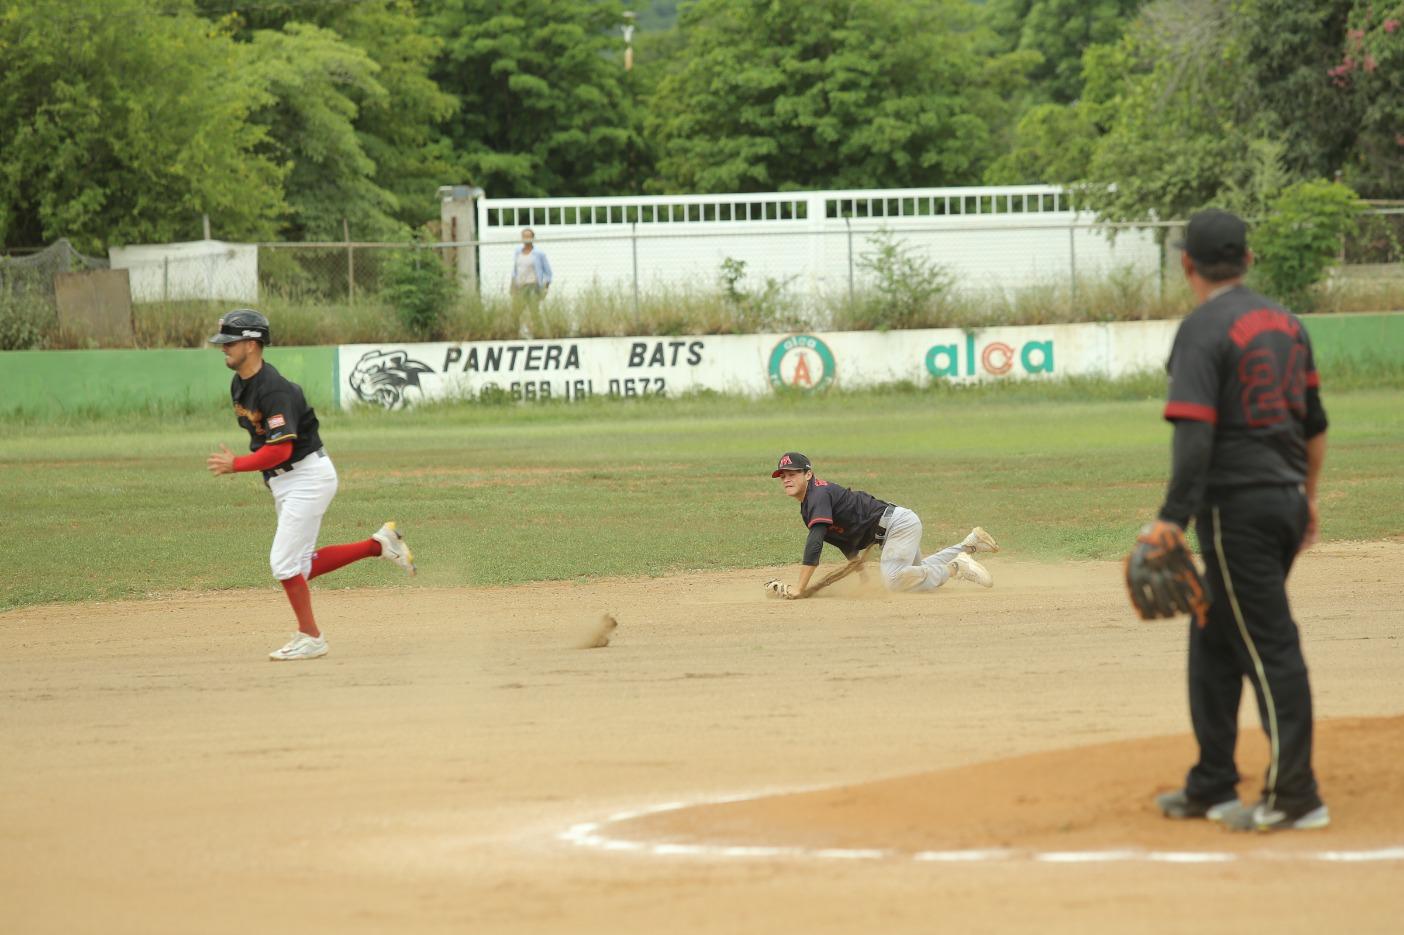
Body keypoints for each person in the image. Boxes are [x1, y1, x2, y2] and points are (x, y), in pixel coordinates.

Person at [1148, 209, 1330, 831]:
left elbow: (1195, 435)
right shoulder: (1287, 322)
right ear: (1248, 260)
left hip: (1236, 510)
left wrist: (1173, 518)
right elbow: (1315, 425)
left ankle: (1296, 795)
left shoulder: (1202, 329)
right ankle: (1212, 784)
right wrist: (1305, 497)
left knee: (1269, 643)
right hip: (1281, 497)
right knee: (1215, 633)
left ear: (1187, 265)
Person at [205, 308, 416, 661]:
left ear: (253, 345)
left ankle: (311, 636)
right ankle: (379, 545)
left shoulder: (274, 390)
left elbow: (282, 448)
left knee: (283, 563)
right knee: (299, 567)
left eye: (231, 342)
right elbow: (265, 442)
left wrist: (237, 465)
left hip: (306, 476)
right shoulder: (240, 384)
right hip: (287, 480)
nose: (223, 348)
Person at [768, 452, 998, 597]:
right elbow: (843, 540)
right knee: (914, 574)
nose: (787, 479)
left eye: (793, 473)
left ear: (808, 475)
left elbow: (814, 543)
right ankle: (968, 546)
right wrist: (861, 576)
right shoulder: (810, 503)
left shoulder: (817, 496)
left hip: (897, 526)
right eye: (783, 475)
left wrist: (799, 588)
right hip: (896, 526)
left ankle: (957, 568)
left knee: (896, 581)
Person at [509, 227, 552, 302]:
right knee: (515, 311)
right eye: (524, 236)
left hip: (533, 287)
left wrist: (545, 289)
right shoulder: (518, 252)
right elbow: (515, 271)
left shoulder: (539, 253)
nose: (526, 238)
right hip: (520, 286)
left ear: (533, 238)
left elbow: (548, 273)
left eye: (529, 236)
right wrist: (512, 286)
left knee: (534, 311)